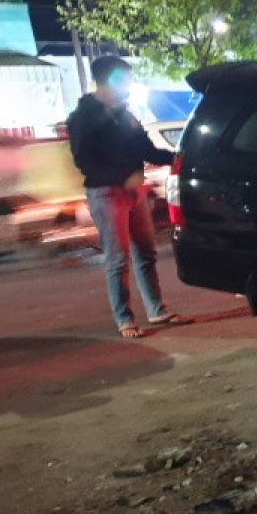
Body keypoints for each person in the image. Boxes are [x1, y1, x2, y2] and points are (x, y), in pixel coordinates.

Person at [67, 56, 190, 338]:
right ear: (107, 80)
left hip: (135, 191)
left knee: (146, 252)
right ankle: (125, 319)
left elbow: (145, 148)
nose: (129, 84)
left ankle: (157, 310)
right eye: (124, 78)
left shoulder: (125, 114)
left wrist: (180, 158)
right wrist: (122, 176)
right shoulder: (84, 116)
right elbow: (84, 160)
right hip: (107, 193)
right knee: (117, 258)